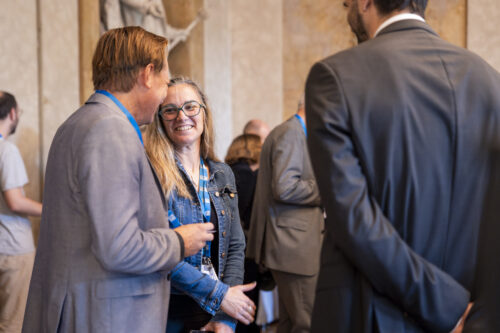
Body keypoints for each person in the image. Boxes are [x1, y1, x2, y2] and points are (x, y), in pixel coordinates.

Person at [305, 0, 500, 332]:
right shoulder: (491, 81)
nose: (344, 4)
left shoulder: (335, 77)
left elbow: (352, 218)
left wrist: (447, 305)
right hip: (473, 316)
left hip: (372, 312)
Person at [22, 27, 213, 333]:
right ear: (147, 75)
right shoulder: (109, 130)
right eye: (165, 82)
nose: (165, 92)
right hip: (106, 316)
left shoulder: (78, 123)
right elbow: (119, 247)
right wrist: (180, 241)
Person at [144, 77, 256, 333]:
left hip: (215, 308)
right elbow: (159, 252)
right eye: (170, 110)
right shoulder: (153, 174)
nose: (181, 116)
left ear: (204, 113)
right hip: (170, 308)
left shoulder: (222, 173)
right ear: (161, 119)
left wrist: (225, 316)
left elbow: (236, 245)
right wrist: (221, 295)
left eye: (190, 107)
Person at [246, 96, 323, 333]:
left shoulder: (292, 132)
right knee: (308, 323)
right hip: (293, 246)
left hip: (291, 244)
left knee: (291, 323)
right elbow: (285, 187)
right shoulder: (291, 133)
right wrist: (326, 188)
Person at [0, 92, 42, 333]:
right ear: (13, 114)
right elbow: (15, 202)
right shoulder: (7, 151)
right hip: (14, 250)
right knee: (12, 325)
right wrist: (51, 211)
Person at [225, 133, 262, 333]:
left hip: (225, 246)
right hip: (245, 246)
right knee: (247, 303)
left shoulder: (224, 171)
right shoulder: (249, 175)